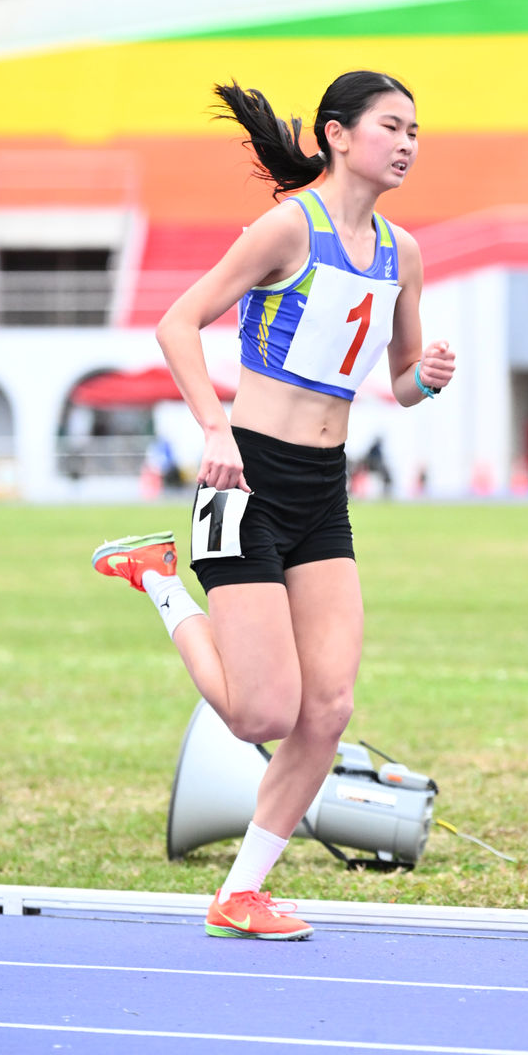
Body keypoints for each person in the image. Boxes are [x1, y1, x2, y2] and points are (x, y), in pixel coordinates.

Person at [92, 70, 455, 940]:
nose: (406, 144)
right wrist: (213, 428)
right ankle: (157, 581)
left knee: (327, 709)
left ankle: (241, 892)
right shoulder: (289, 226)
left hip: (323, 490)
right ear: (337, 134)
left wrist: (429, 378)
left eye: (415, 131)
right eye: (390, 126)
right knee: (260, 714)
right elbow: (178, 323)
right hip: (244, 478)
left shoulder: (402, 253)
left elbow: (401, 383)